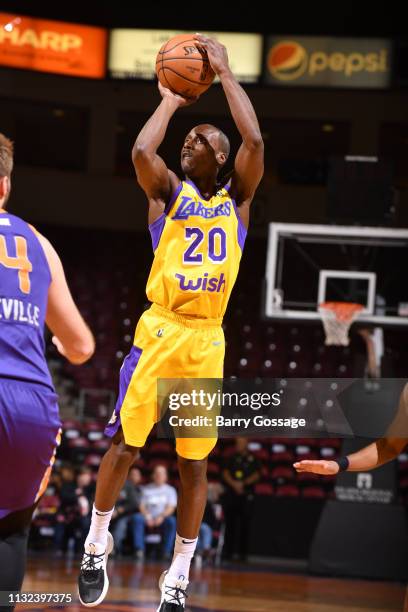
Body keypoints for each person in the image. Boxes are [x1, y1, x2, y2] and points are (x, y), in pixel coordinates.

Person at [77, 33, 263, 611]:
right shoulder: (167, 196)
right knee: (125, 447)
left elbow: (254, 137)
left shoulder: (238, 203)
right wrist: (172, 101)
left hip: (207, 342)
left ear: (223, 157)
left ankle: (178, 574)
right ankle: (95, 542)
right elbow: (140, 152)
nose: (188, 144)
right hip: (160, 330)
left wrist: (226, 75)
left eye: (200, 139)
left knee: (193, 463)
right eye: (185, 139)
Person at [0, 133, 95, 611]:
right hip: (32, 406)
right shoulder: (37, 241)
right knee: (11, 532)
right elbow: (80, 346)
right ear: (4, 187)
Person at [222, 438, 261, 561]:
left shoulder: (253, 459)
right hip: (232, 495)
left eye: (240, 443)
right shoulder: (231, 458)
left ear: (246, 444)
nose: (238, 445)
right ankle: (228, 553)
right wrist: (234, 484)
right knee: (230, 525)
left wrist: (243, 484)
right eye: (237, 443)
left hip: (246, 495)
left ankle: (243, 555)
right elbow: (225, 473)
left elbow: (257, 475)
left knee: (245, 526)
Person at [132, 465, 177, 561]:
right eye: (157, 473)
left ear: (166, 476)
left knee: (172, 521)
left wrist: (161, 517)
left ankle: (166, 551)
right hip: (147, 517)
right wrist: (148, 517)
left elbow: (171, 507)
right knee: (137, 518)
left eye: (161, 473)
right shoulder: (146, 489)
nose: (159, 475)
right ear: (153, 475)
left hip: (163, 518)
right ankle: (139, 550)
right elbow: (142, 505)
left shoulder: (170, 490)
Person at [110, 466, 142, 555]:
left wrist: (120, 510)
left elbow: (134, 503)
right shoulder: (110, 484)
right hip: (110, 512)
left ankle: (114, 548)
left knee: (120, 526)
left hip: (124, 514)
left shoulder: (128, 485)